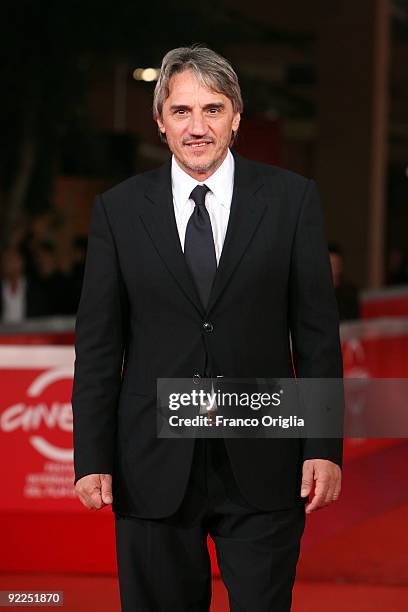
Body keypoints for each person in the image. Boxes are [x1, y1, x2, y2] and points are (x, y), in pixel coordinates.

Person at [72, 46, 343, 611]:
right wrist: (92, 456)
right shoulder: (118, 211)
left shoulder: (292, 201)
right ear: (160, 120)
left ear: (237, 116)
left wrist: (323, 446)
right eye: (181, 111)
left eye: (213, 109)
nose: (197, 127)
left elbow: (316, 334)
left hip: (266, 457)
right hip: (151, 461)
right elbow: (99, 347)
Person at [0, 246, 47, 323]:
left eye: (11, 259)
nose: (7, 263)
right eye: (4, 259)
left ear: (21, 262)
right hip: (3, 334)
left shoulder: (34, 289)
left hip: (27, 333)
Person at [328, 242, 360, 321]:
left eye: (336, 264)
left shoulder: (349, 292)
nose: (334, 269)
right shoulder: (315, 292)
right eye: (331, 264)